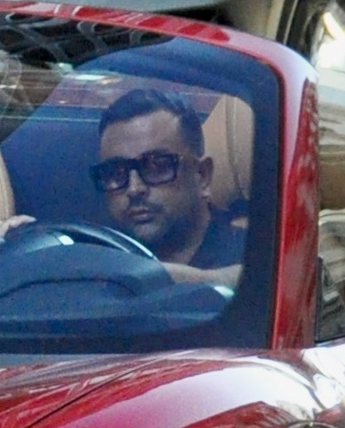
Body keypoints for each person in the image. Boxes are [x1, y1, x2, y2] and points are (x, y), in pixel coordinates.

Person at [92, 89, 243, 289]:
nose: (134, 189)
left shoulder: (258, 260)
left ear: (202, 176)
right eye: (116, 172)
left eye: (157, 166)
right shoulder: (94, 265)